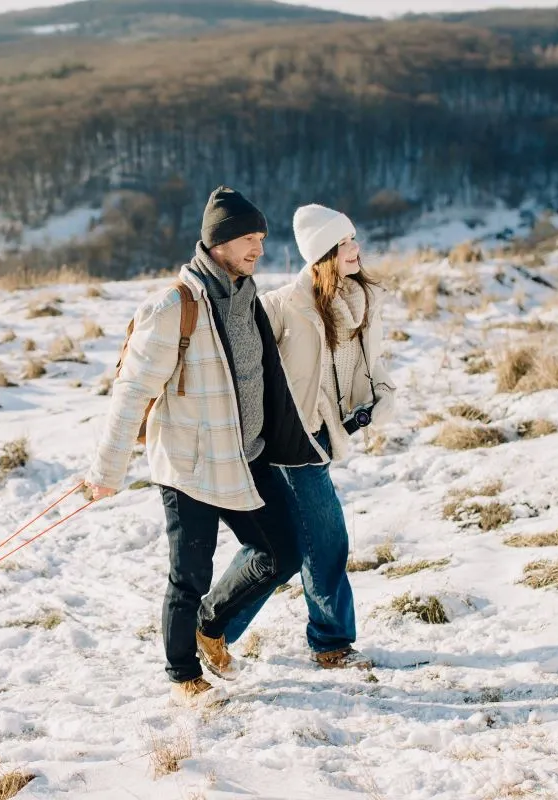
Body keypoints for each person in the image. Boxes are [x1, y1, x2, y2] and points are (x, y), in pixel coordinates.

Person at [84, 186, 327, 707]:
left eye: (261, 237)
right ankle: (182, 674)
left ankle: (211, 625)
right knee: (189, 574)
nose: (258, 247)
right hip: (189, 465)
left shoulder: (248, 297)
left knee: (281, 551)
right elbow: (131, 392)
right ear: (216, 242)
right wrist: (107, 470)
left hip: (246, 456)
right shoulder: (175, 306)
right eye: (246, 238)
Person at [221, 203, 396, 669]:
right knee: (324, 541)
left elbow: (370, 363)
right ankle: (329, 641)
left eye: (354, 239)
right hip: (285, 444)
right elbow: (247, 372)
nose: (356, 248)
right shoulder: (282, 306)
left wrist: (381, 394)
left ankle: (213, 628)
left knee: (288, 548)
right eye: (345, 243)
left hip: (322, 439)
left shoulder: (361, 301)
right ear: (323, 253)